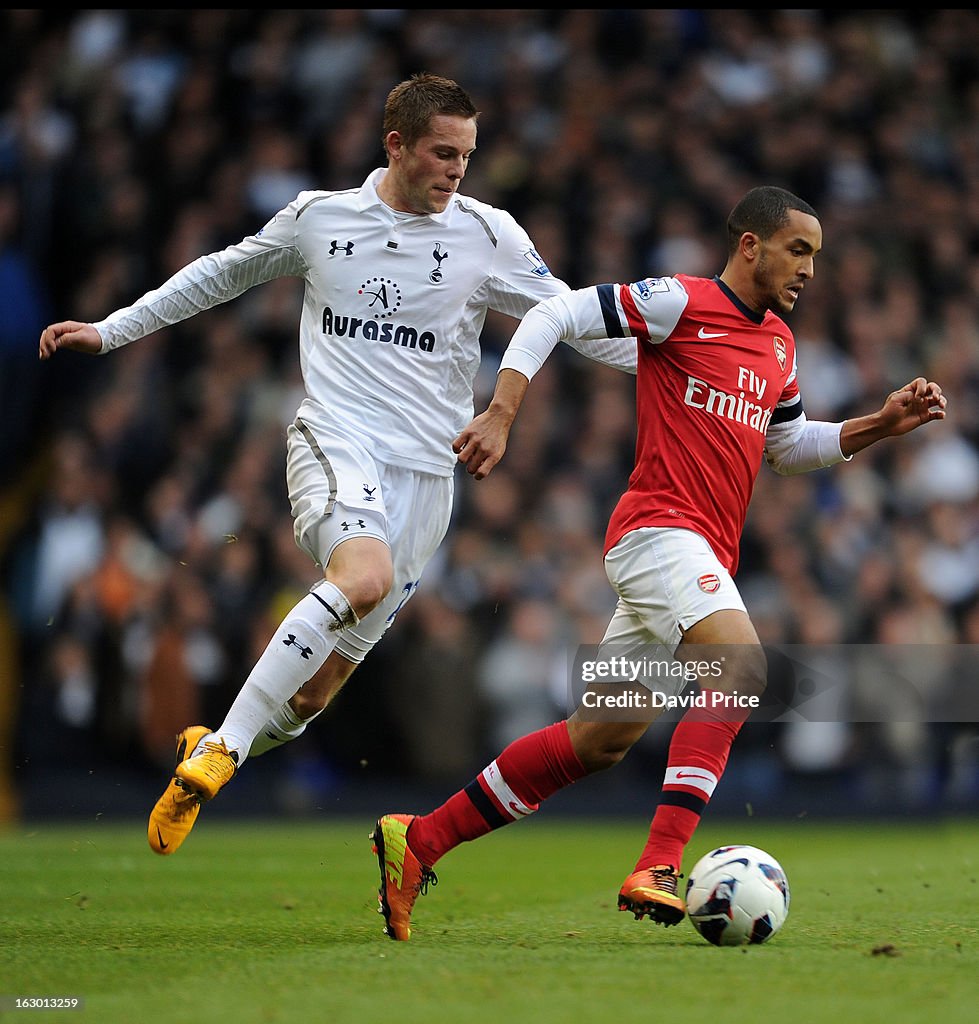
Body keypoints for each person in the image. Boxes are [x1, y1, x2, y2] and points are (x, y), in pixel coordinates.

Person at [37, 72, 638, 856]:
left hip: (429, 479)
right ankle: (222, 752)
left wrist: (690, 361)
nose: (457, 172)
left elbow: (569, 317)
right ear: (395, 144)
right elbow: (221, 272)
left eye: (467, 156)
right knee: (362, 578)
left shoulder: (487, 234)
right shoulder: (321, 220)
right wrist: (113, 330)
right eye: (442, 153)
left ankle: (224, 740)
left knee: (315, 693)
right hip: (337, 437)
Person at [370, 185, 947, 941]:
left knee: (599, 738)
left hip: (691, 554)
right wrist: (503, 407)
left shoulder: (778, 344)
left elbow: (785, 445)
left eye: (815, 255)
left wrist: (877, 424)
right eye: (797, 250)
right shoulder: (679, 302)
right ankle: (661, 862)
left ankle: (419, 840)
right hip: (657, 534)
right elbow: (553, 312)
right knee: (739, 668)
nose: (809, 268)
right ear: (750, 245)